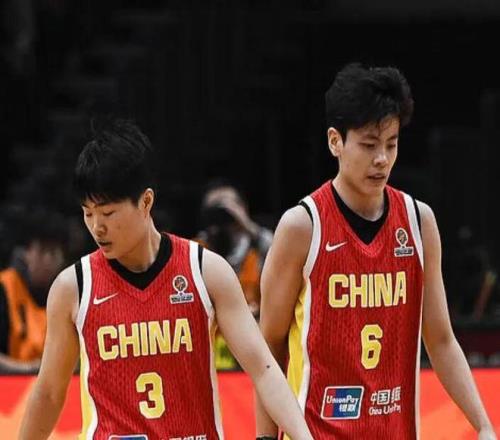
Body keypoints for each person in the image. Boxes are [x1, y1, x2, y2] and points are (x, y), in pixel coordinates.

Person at [19, 119, 313, 440]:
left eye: (108, 213)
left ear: (146, 202)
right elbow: (49, 393)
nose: (97, 227)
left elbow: (264, 369)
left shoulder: (206, 272)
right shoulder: (73, 287)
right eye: (88, 213)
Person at [255, 63, 496, 439]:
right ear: (335, 141)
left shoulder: (419, 223)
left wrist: (483, 425)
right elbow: (268, 348)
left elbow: (441, 340)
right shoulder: (302, 227)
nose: (382, 158)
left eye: (391, 144)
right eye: (369, 145)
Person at [197, 180, 273, 370]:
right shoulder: (195, 251)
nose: (221, 214)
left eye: (227, 207)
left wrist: (245, 224)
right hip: (210, 359)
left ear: (242, 209)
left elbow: (285, 254)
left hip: (253, 357)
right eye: (214, 208)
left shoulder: (259, 248)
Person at [0, 208, 66, 373]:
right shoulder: (4, 288)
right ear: (27, 253)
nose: (48, 260)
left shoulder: (69, 293)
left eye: (53, 252)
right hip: (9, 383)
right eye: (42, 251)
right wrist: (30, 369)